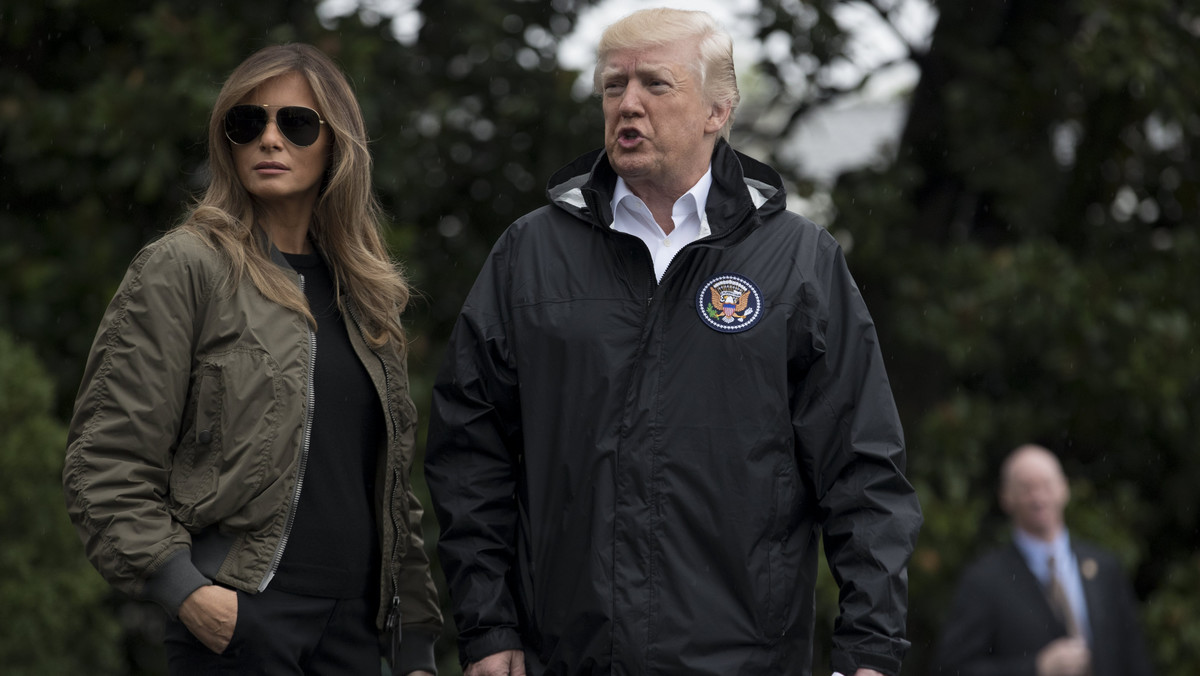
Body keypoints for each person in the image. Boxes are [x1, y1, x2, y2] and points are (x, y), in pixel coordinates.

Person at [424, 8, 922, 676]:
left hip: (746, 660)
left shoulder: (798, 262)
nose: (628, 104)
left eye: (655, 85)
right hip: (565, 659)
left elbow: (862, 469)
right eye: (612, 86)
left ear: (717, 111)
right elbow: (468, 453)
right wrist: (488, 627)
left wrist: (871, 651)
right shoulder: (530, 256)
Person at [62, 44, 441, 675]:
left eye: (295, 123)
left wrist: (417, 645)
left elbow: (391, 492)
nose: (269, 139)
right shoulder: (184, 267)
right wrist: (185, 590)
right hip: (239, 624)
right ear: (227, 141)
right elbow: (106, 458)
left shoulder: (368, 296)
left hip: (354, 635)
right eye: (247, 123)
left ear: (336, 144)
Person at [931, 444, 1154, 676]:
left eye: (1046, 485)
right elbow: (952, 669)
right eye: (1026, 488)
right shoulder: (984, 580)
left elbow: (1133, 655)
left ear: (1064, 488)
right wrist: (1035, 668)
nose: (1038, 497)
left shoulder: (1104, 568)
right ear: (1006, 498)